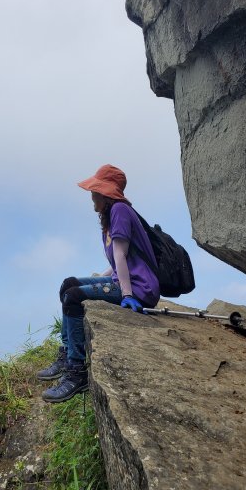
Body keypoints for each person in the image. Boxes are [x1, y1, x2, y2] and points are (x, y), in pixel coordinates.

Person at [38, 164, 160, 403]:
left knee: (74, 297)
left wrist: (126, 294)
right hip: (127, 280)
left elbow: (121, 254)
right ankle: (66, 353)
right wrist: (99, 280)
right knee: (68, 285)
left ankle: (77, 371)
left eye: (94, 191)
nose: (91, 196)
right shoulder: (113, 213)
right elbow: (117, 261)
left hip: (139, 287)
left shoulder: (120, 211)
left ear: (106, 193)